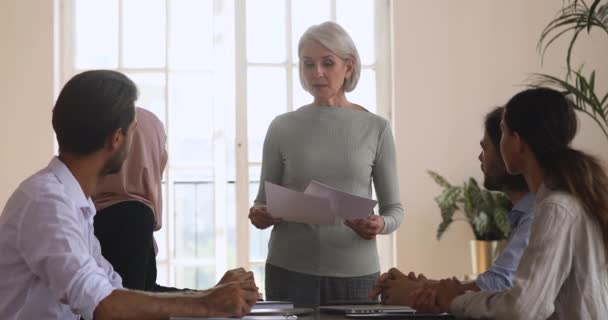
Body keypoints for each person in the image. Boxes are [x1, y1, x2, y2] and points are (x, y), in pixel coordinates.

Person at [0, 70, 258, 320]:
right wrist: (207, 303)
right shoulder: (47, 203)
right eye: (134, 130)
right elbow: (103, 305)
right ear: (116, 139)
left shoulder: (75, 203)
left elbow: (114, 292)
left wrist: (210, 295)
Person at [411, 88, 608, 319]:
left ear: (518, 142)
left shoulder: (556, 208)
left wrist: (455, 300)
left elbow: (522, 308)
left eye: (502, 131)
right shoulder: (565, 200)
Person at [248, 21, 404, 307]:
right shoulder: (282, 127)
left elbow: (395, 210)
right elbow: (261, 205)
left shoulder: (376, 128)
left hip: (356, 275)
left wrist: (380, 223)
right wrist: (261, 215)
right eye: (308, 64)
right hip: (288, 271)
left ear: (349, 66)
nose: (316, 73)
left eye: (327, 63)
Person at [369, 107, 534, 305]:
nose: (480, 157)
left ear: (511, 147)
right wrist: (423, 287)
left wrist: (417, 291)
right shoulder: (525, 213)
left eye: (485, 148)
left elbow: (497, 285)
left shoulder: (537, 214)